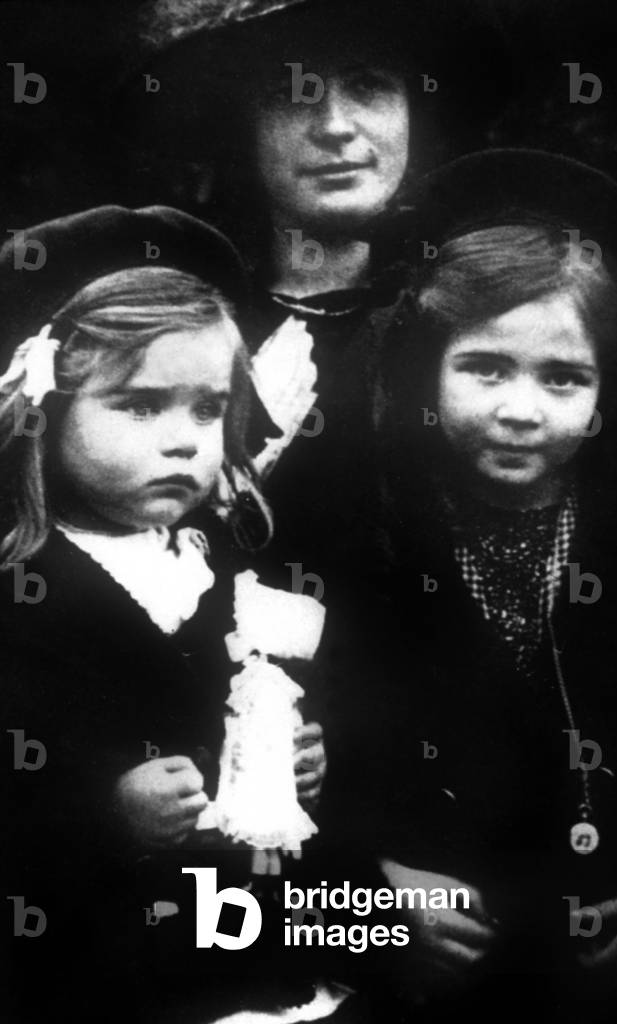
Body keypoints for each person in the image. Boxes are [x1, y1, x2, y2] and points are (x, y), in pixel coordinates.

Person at [324, 151, 617, 1023]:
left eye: (563, 378)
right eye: (484, 367)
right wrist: (366, 901)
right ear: (427, 372)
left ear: (604, 393)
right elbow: (285, 770)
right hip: (431, 971)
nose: (522, 408)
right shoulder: (353, 538)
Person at [0, 206, 327, 1023]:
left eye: (207, 410)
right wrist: (104, 811)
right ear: (46, 413)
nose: (184, 441)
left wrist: (287, 761)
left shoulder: (216, 567)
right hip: (87, 961)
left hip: (235, 945)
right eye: (141, 407)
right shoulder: (23, 584)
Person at [113, 0, 505, 587]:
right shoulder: (180, 333)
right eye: (292, 94)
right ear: (243, 132)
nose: (335, 125)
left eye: (368, 87)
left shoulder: (470, 328)